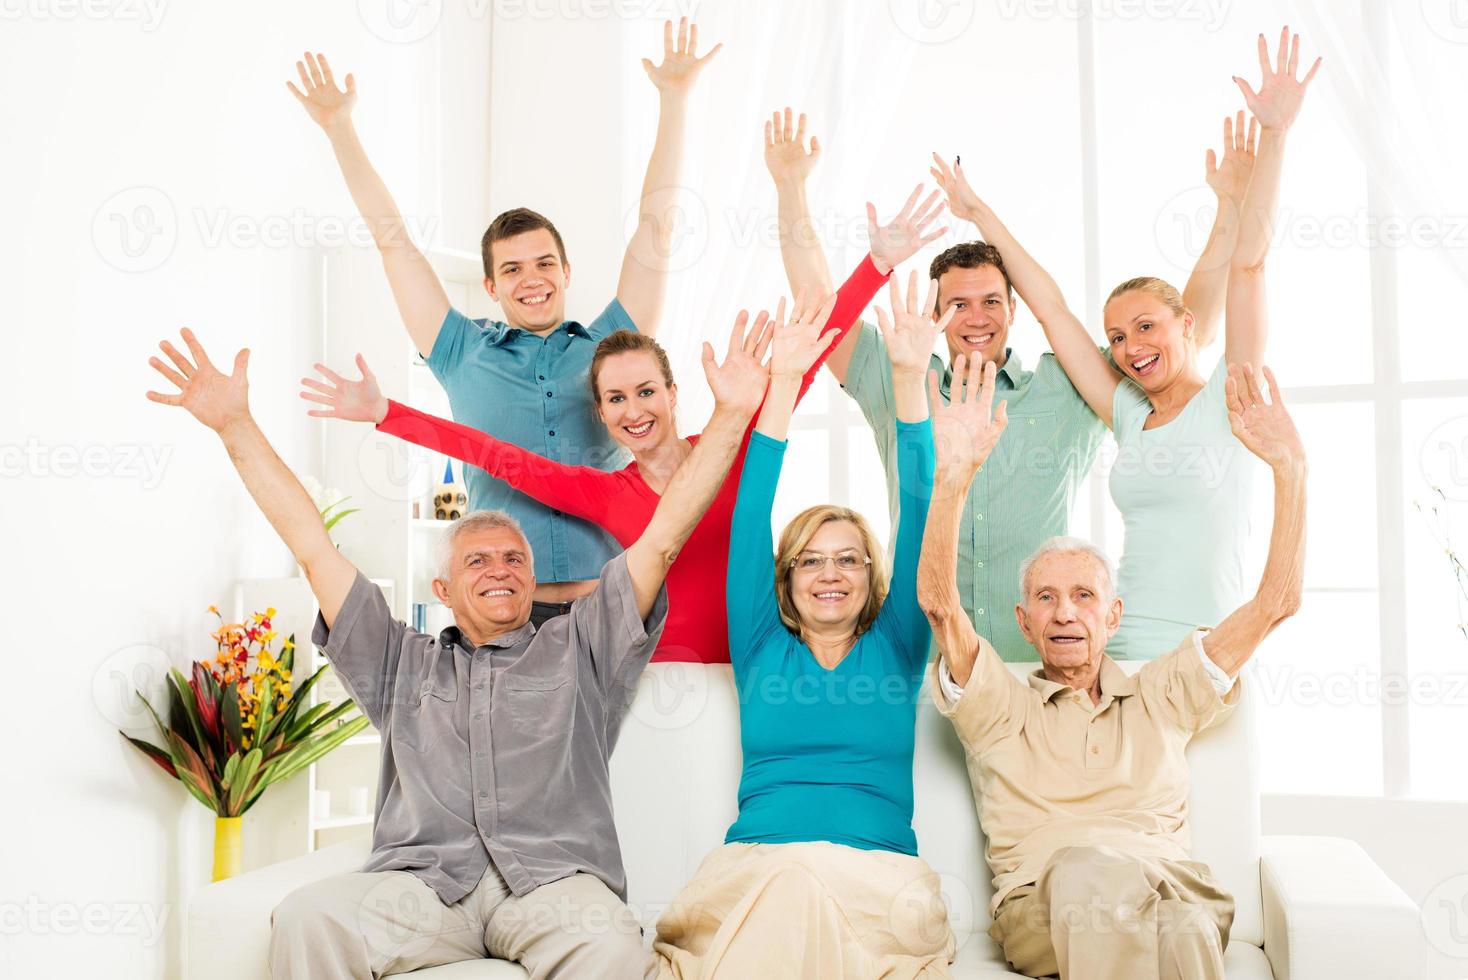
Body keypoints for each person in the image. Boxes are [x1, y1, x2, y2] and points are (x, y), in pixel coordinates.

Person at [144, 318, 769, 979]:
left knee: (611, 945)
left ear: (532, 580)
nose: (499, 568)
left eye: (513, 559)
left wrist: (730, 415)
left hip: (552, 887)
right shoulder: (398, 660)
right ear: (442, 586)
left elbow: (664, 537)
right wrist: (234, 425)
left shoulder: (584, 644)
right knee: (309, 917)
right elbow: (313, 548)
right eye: (478, 560)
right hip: (424, 888)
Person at [299, 194, 945, 664]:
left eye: (645, 392)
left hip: (753, 669)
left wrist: (877, 266)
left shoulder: (731, 450)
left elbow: (807, 360)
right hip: (648, 683)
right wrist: (385, 412)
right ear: (601, 415)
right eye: (615, 399)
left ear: (673, 393)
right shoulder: (607, 494)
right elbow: (493, 455)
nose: (634, 411)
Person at [287, 18, 719, 624]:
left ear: (567, 271)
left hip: (615, 605)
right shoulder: (460, 349)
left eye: (544, 263)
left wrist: (674, 102)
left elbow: (657, 234)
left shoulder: (611, 353)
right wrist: (340, 130)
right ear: (490, 285)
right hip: (504, 608)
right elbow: (395, 245)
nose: (531, 278)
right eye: (512, 269)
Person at [926, 27, 1319, 659]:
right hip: (1119, 652)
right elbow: (1050, 308)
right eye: (1115, 335)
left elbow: (1249, 265)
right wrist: (980, 215)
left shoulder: (1234, 393)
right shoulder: (1130, 415)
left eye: (1144, 327)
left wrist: (1274, 136)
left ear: (1186, 323)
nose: (1129, 346)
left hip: (1205, 651)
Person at [917, 356, 1307, 979]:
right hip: (1046, 905)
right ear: (1023, 622)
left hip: (1170, 890)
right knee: (1086, 870)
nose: (1065, 613)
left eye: (1084, 596)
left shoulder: (1163, 693)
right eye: (1045, 598)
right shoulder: (999, 707)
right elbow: (939, 605)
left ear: (1114, 616)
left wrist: (1291, 468)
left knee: (1181, 921)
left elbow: (1276, 603)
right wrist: (953, 478)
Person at [652, 274, 955, 978]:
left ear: (872, 577)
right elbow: (751, 507)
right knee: (790, 892)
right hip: (762, 870)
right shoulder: (760, 648)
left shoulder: (899, 646)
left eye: (848, 560)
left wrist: (909, 380)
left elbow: (918, 508)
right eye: (811, 561)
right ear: (784, 579)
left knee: (804, 899)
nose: (830, 574)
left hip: (876, 879)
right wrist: (780, 386)